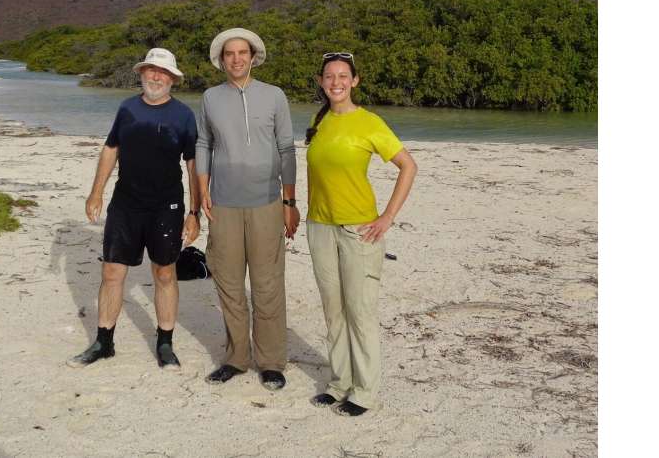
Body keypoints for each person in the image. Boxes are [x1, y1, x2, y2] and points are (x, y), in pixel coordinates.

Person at [69, 47, 200, 369]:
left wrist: (194, 212)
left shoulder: (184, 115)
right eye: (151, 70)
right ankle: (104, 341)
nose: (156, 77)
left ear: (173, 79)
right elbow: (111, 149)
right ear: (141, 74)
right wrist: (95, 193)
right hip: (126, 203)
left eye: (163, 72)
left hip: (166, 205)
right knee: (112, 270)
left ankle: (165, 343)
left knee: (165, 272)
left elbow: (193, 164)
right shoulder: (127, 108)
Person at [305, 52, 417, 416]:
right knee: (333, 310)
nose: (335, 82)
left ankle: (365, 392)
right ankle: (340, 383)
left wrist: (387, 217)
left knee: (360, 311)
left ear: (355, 81)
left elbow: (408, 166)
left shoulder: (369, 122)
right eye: (329, 76)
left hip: (358, 231)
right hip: (319, 226)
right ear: (321, 82)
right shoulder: (318, 120)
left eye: (343, 76)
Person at [196, 28, 299, 390]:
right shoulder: (210, 97)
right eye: (230, 54)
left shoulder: (274, 96)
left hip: (266, 203)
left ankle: (271, 361)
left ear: (253, 57)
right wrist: (202, 190)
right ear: (221, 60)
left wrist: (290, 202)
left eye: (243, 53)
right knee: (228, 282)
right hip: (222, 204)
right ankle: (237, 358)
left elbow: (286, 148)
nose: (237, 59)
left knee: (268, 283)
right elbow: (203, 144)